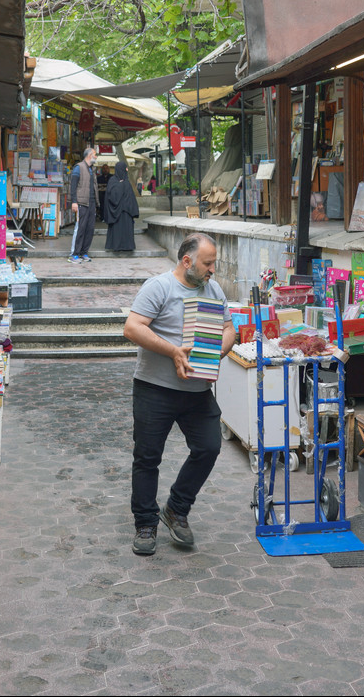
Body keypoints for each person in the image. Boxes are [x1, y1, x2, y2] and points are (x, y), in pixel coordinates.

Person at [122, 233, 235, 556]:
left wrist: (217, 353)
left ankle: (177, 508)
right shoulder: (158, 287)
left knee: (209, 446)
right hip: (154, 389)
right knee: (147, 457)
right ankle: (145, 524)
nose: (213, 270)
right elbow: (132, 328)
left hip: (197, 390)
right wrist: (174, 352)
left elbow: (229, 329)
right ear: (187, 261)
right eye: (208, 263)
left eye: (214, 263)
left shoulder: (213, 290)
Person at [67, 147, 98, 263]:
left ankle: (84, 252)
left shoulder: (91, 169)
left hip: (91, 203)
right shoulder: (78, 168)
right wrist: (74, 201)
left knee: (89, 229)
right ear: (89, 155)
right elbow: (73, 186)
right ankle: (74, 254)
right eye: (95, 154)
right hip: (81, 203)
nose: (96, 157)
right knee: (80, 228)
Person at [103, 160, 139, 252]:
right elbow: (111, 196)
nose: (126, 170)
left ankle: (127, 246)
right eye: (125, 168)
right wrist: (121, 185)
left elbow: (131, 197)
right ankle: (116, 246)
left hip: (126, 212)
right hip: (116, 213)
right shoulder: (113, 181)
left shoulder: (126, 181)